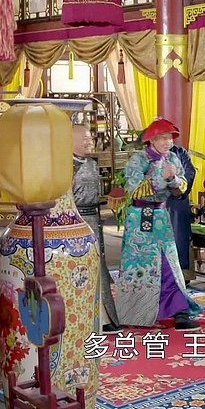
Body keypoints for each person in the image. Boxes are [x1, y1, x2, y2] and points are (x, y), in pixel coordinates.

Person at [116, 118, 201, 330]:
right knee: (142, 266)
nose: (167, 142)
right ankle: (141, 311)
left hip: (161, 217)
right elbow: (135, 191)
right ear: (151, 140)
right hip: (139, 219)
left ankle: (179, 311)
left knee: (169, 263)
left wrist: (173, 180)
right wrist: (160, 177)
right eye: (162, 138)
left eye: (169, 138)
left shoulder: (172, 157)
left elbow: (181, 189)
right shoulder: (138, 159)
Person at [71, 124, 121, 334]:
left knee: (98, 265)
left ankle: (105, 315)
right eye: (84, 138)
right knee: (79, 267)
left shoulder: (92, 163)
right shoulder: (65, 165)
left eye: (89, 137)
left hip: (95, 218)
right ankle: (81, 316)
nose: (89, 141)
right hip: (75, 220)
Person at [167, 144, 196, 283]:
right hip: (157, 202)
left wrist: (177, 187)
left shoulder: (180, 152)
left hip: (178, 200)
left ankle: (183, 275)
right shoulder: (148, 153)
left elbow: (189, 172)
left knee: (179, 237)